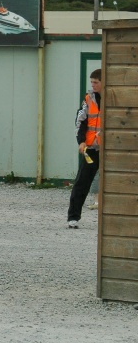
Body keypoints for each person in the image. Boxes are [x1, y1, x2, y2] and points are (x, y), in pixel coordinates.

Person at [67, 69, 102, 229]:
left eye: (96, 82)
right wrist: (81, 142)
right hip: (92, 149)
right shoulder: (88, 99)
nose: (93, 85)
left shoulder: (115, 97)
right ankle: (73, 217)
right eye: (92, 82)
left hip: (111, 149)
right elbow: (80, 121)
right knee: (82, 183)